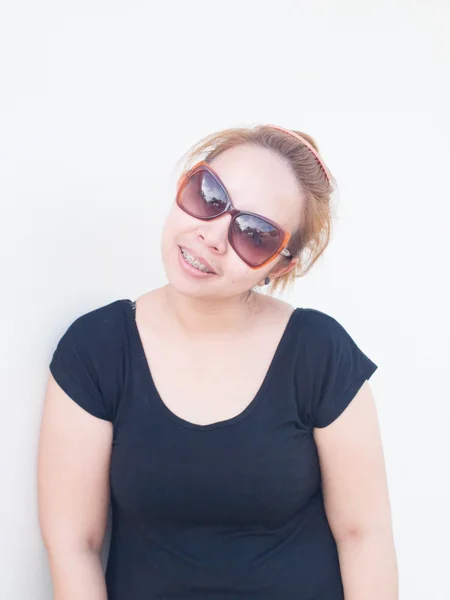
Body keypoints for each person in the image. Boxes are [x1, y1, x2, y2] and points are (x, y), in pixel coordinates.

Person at [38, 124, 398, 600]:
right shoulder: (96, 350)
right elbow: (73, 546)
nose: (212, 236)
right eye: (209, 195)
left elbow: (363, 537)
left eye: (254, 234)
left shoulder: (319, 352)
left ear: (279, 266)